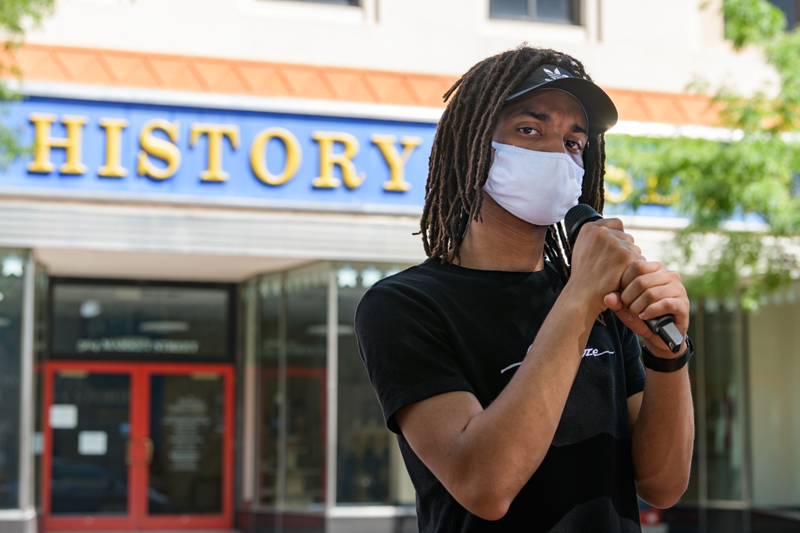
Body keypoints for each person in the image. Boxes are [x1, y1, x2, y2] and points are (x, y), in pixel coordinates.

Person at [354, 45, 694, 532]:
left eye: (574, 142)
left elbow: (662, 485)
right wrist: (579, 299)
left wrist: (668, 356)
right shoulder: (404, 306)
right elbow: (485, 484)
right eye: (529, 130)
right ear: (474, 147)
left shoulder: (601, 299)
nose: (558, 153)